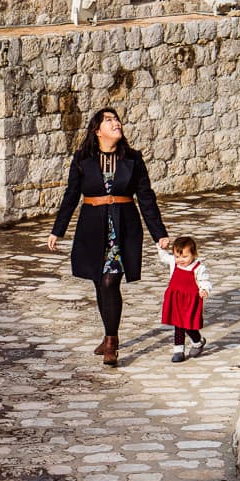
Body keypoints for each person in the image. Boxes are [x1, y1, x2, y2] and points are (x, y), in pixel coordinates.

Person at [47, 108, 170, 366]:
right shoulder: (83, 159)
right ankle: (108, 334)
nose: (116, 123)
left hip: (123, 228)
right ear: (97, 130)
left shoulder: (133, 159)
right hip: (92, 228)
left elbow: (146, 198)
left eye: (117, 119)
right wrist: (57, 230)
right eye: (109, 120)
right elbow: (71, 196)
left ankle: (112, 342)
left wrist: (159, 234)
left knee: (109, 282)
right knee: (98, 283)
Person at [157, 236, 212, 362]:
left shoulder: (198, 268)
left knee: (188, 324)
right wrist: (160, 247)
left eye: (185, 257)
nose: (180, 260)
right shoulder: (173, 262)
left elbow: (205, 280)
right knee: (178, 324)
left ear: (194, 254)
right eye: (177, 256)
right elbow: (164, 257)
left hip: (190, 301)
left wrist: (204, 289)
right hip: (175, 299)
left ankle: (197, 341)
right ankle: (178, 351)